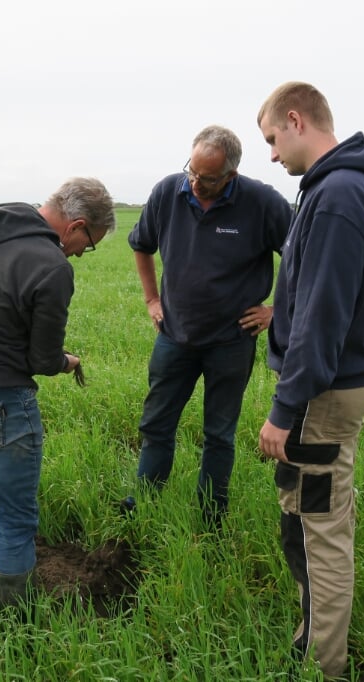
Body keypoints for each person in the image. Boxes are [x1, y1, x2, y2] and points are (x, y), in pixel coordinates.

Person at [255, 82, 364, 679]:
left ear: (296, 120)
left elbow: (321, 319)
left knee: (318, 528)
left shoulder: (337, 195)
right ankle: (314, 633)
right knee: (320, 509)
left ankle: (321, 664)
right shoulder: (348, 186)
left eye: (271, 140)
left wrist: (284, 410)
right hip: (339, 383)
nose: (270, 155)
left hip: (323, 390)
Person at [0, 177, 115, 611]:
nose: (80, 254)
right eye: (88, 246)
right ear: (76, 225)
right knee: (16, 521)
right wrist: (68, 362)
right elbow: (42, 359)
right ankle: (15, 624)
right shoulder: (51, 266)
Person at [126, 125, 293, 528]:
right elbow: (141, 245)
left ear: (231, 175)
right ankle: (146, 502)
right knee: (157, 423)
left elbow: (303, 256)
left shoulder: (262, 202)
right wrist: (152, 299)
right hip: (175, 337)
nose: (197, 184)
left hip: (231, 342)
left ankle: (210, 516)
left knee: (219, 433)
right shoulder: (168, 192)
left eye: (209, 178)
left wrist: (277, 311)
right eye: (193, 173)